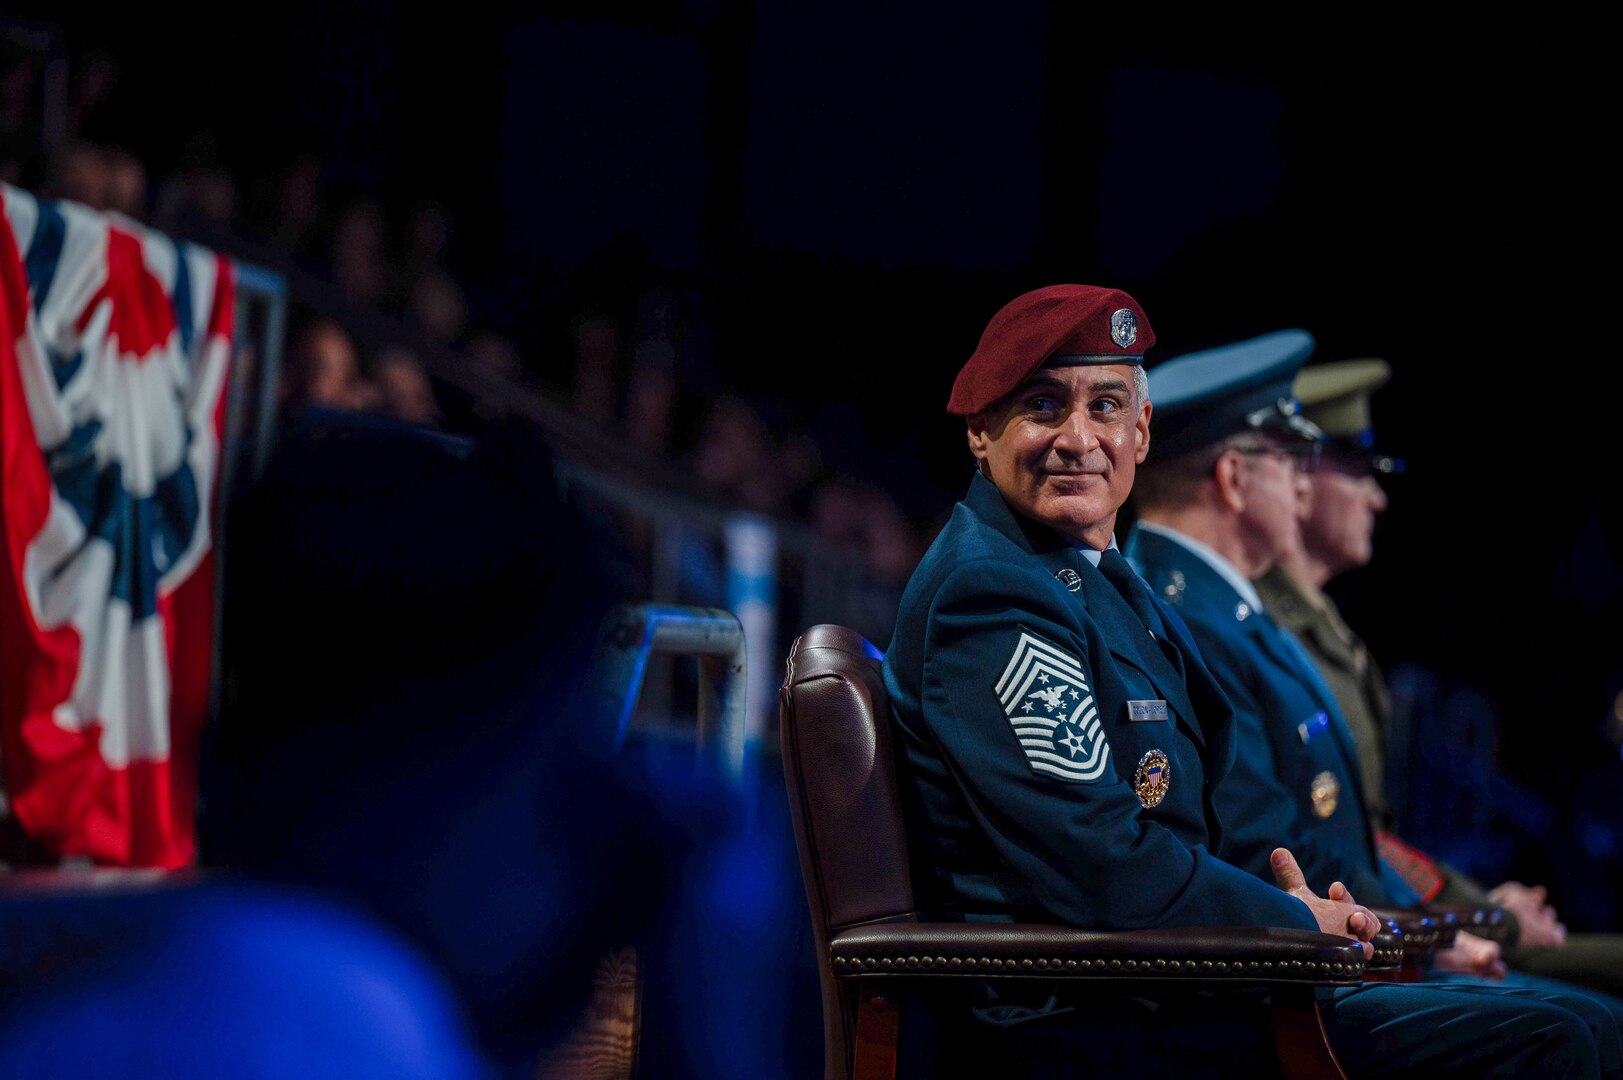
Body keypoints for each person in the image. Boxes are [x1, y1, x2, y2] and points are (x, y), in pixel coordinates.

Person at [882, 284, 1608, 1078]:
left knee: (1576, 1022)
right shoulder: (992, 593)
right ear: (980, 433)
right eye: (1043, 406)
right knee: (1556, 1038)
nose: (1078, 437)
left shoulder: (1083, 577)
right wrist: (1291, 922)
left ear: (1142, 431)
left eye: (1106, 406)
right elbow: (1102, 859)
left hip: (1173, 982)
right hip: (1082, 1014)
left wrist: (1315, 919)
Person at [1124, 329, 1623, 1064]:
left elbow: (1339, 832)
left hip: (1334, 944)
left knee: (1587, 1021)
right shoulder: (1189, 617)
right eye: (1291, 464)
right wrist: (1434, 931)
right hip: (1280, 973)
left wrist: (1444, 923)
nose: (1305, 485)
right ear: (1231, 478)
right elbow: (1269, 844)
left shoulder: (1229, 614)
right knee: (1574, 1028)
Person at [1255, 358, 1623, 998]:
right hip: (1361, 943)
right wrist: (1474, 919)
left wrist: (1473, 910)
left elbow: (1367, 838)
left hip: (1395, 922)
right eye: (1359, 471)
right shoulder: (1260, 631)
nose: (1377, 496)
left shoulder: (1327, 630)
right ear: (1298, 481)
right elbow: (1316, 842)